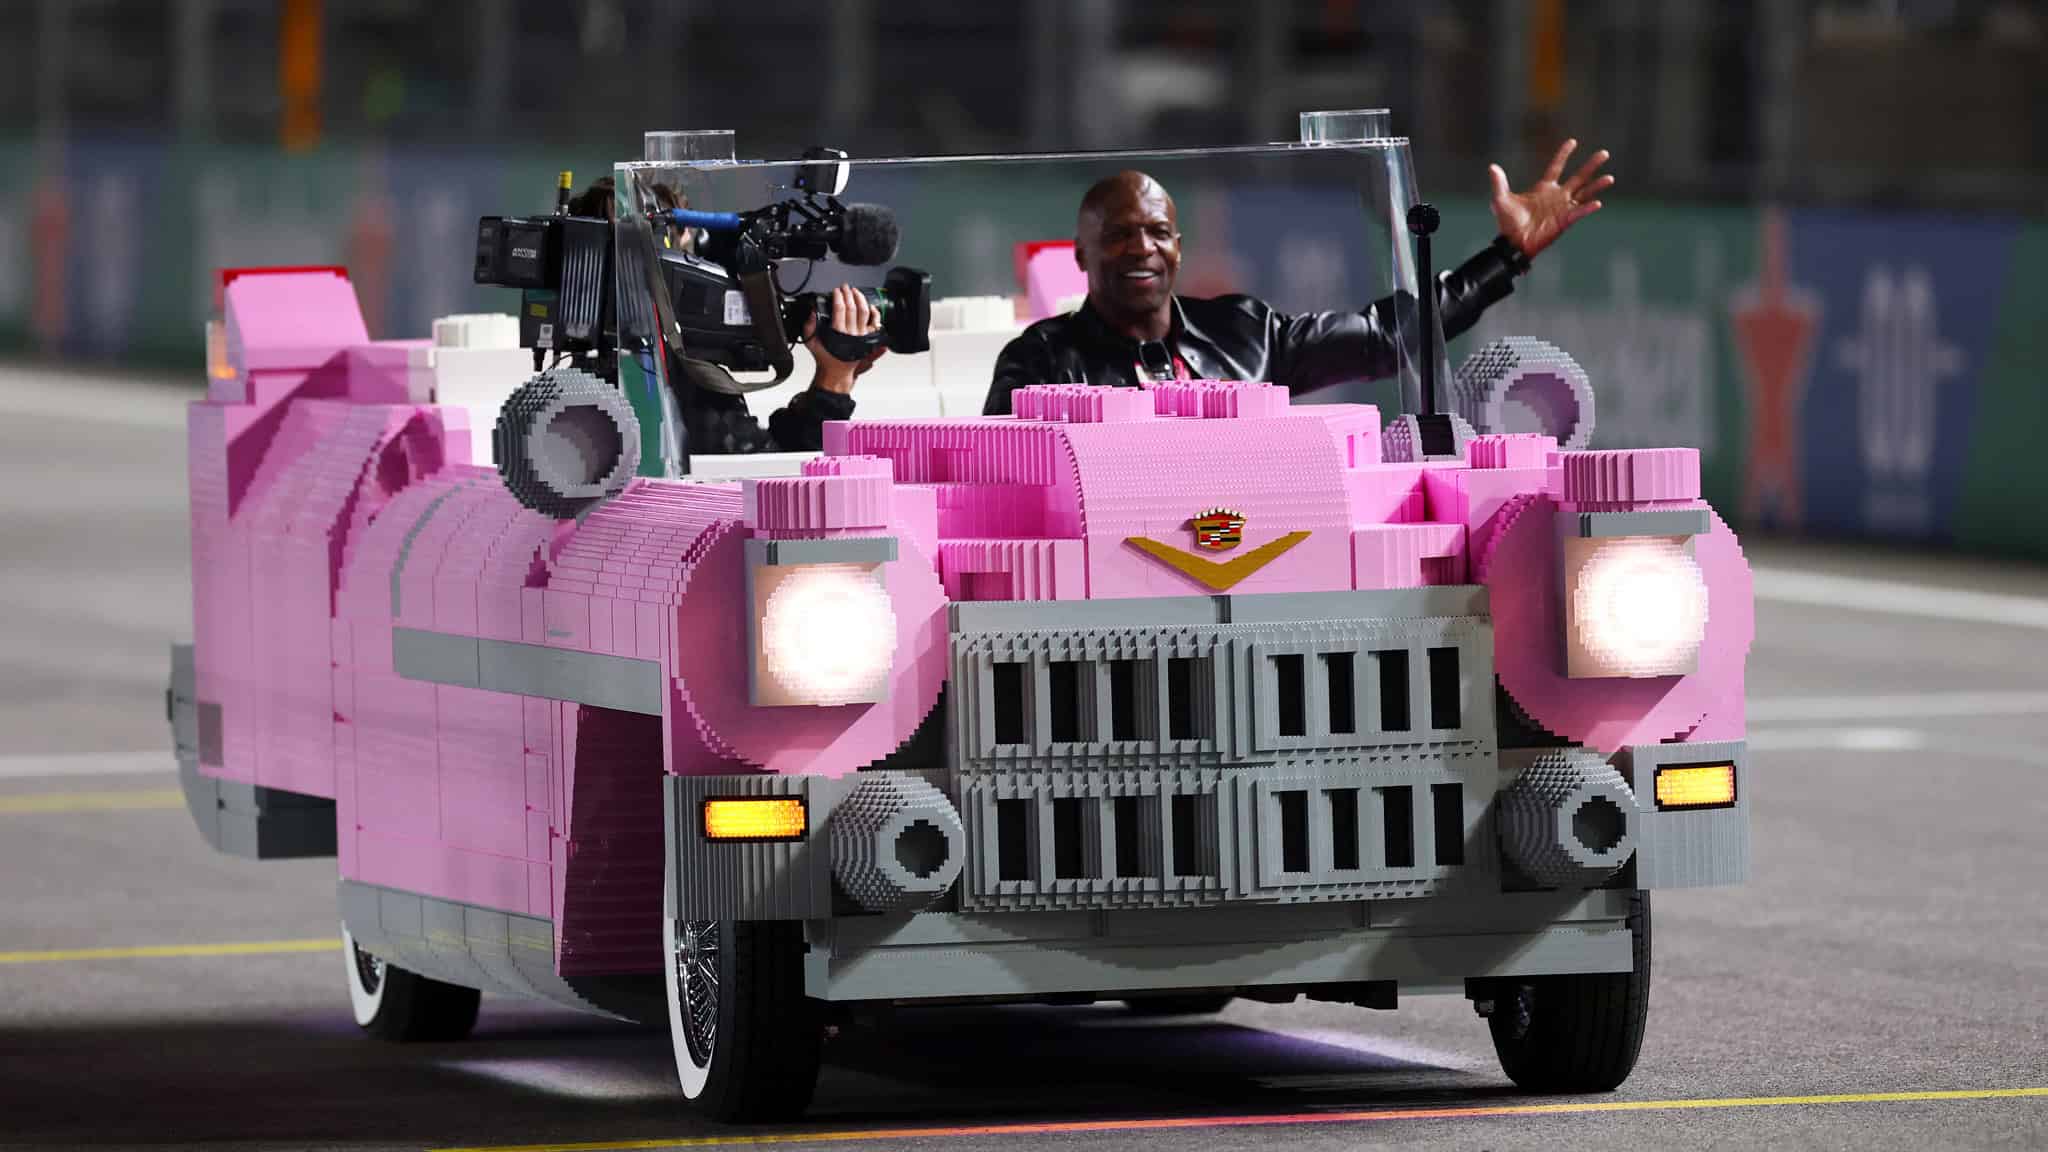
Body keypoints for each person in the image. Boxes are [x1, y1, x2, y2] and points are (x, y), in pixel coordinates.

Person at [984, 140, 1614, 415]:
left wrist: (1507, 255)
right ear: (1082, 254)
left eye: (1155, 232)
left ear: (1178, 248)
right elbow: (1001, 496)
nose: (1139, 248)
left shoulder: (1245, 334)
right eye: (1118, 235)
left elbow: (1385, 335)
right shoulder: (1040, 361)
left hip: (1243, 551)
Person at [564, 177, 882, 454]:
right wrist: (834, 384)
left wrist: (834, 379)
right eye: (688, 254)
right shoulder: (663, 367)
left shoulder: (589, 369)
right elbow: (767, 482)